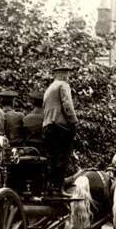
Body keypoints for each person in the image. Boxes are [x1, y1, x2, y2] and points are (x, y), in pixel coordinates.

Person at [43, 64, 79, 194]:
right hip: (60, 126)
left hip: (48, 126)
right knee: (63, 157)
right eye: (67, 74)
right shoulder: (63, 85)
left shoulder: (49, 89)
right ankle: (58, 188)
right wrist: (74, 121)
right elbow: (67, 104)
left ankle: (50, 188)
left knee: (52, 159)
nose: (68, 77)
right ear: (63, 75)